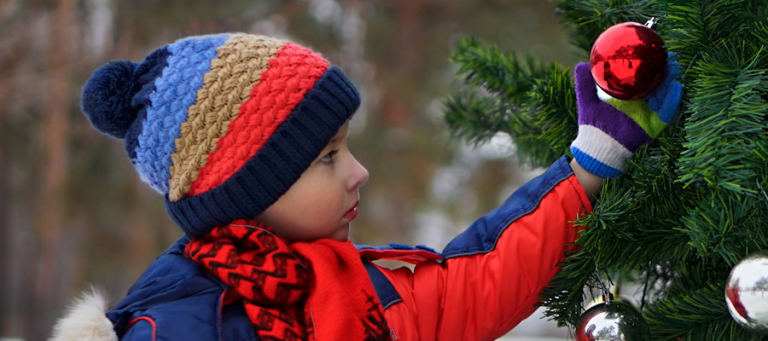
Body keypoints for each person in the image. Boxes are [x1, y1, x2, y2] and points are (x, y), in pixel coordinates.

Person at [49, 33, 682, 341]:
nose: (359, 172)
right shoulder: (181, 328)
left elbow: (478, 277)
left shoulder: (347, 287)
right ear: (247, 191)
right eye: (328, 158)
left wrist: (592, 159)